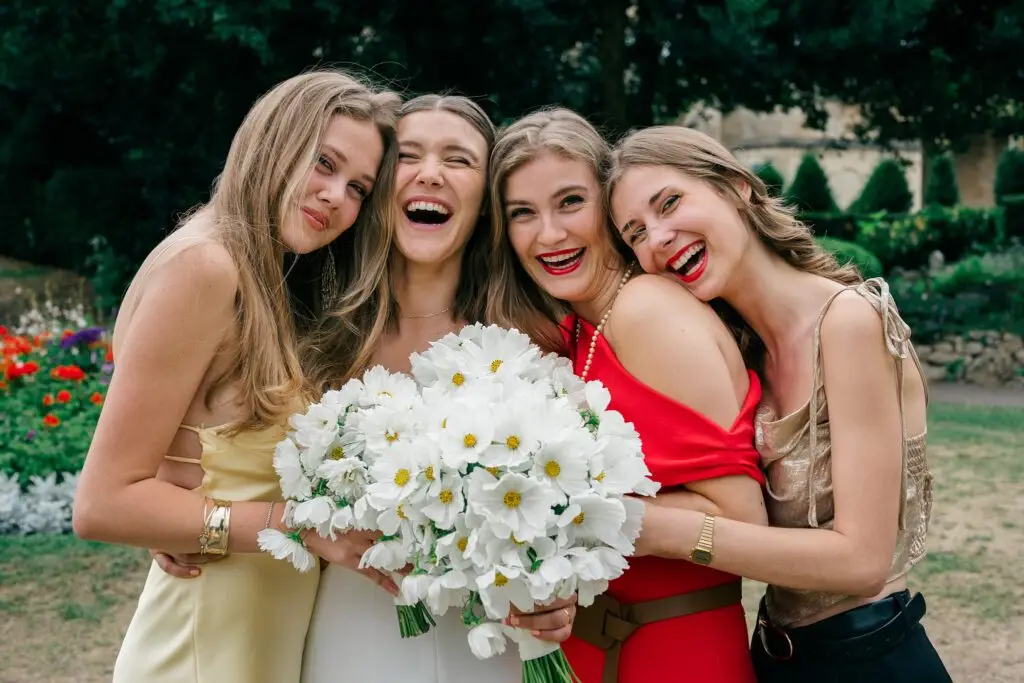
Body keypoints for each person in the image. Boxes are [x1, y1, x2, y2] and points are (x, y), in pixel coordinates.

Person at [72, 69, 402, 683]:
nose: (336, 196)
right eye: (323, 163)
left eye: (358, 187)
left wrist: (197, 516)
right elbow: (103, 502)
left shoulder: (260, 275)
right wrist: (298, 527)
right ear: (272, 141)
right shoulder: (205, 266)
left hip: (255, 640)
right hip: (202, 647)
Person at [607, 125, 950, 682]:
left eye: (670, 203)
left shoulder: (848, 322)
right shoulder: (738, 352)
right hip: (776, 657)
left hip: (870, 660)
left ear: (737, 187)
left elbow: (862, 563)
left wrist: (664, 532)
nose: (659, 238)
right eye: (635, 233)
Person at [299, 94, 575, 683]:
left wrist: (561, 590)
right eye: (409, 156)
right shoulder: (314, 334)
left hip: (492, 644)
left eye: (459, 159)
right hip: (348, 633)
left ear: (484, 204)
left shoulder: (535, 337)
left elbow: (569, 502)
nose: (431, 173)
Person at [487, 107, 768, 683]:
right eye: (523, 213)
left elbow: (746, 522)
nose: (550, 233)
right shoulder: (579, 331)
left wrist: (567, 517)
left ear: (609, 207)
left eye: (570, 202)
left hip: (671, 653)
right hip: (596, 648)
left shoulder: (648, 313)